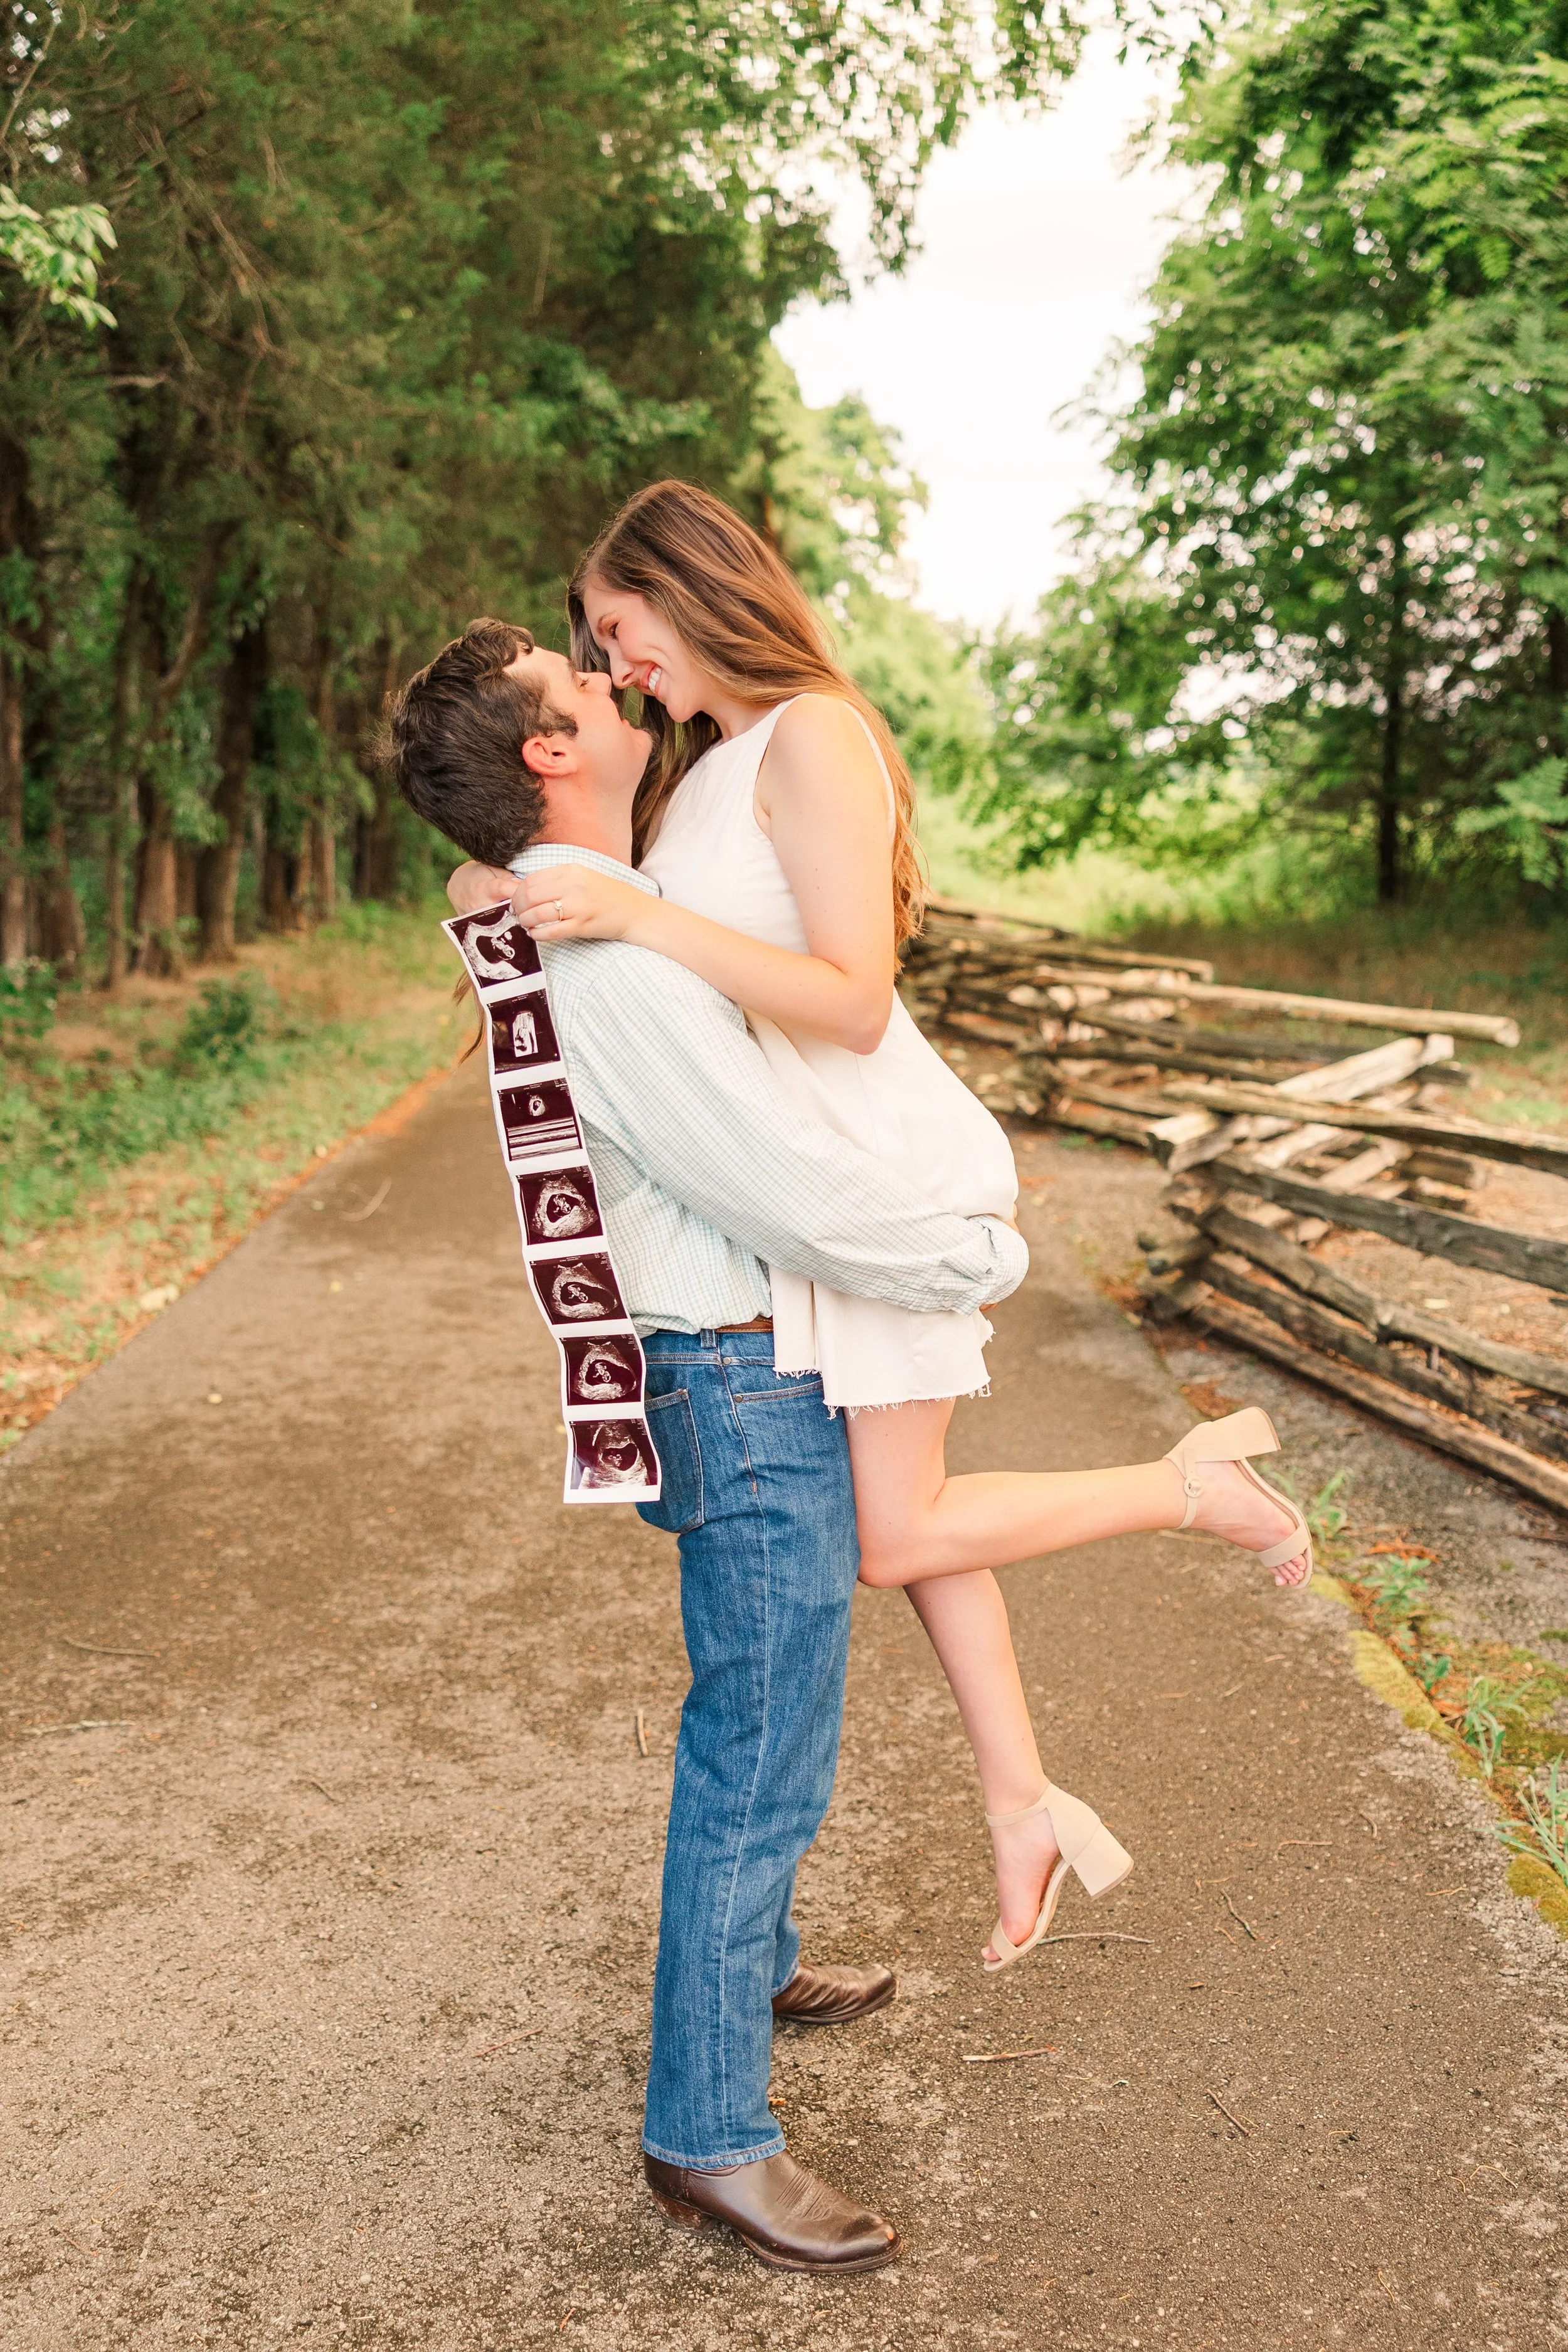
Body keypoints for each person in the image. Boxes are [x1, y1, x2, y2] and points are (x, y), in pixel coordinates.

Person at [448, 483, 1314, 1976]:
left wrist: (639, 919)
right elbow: (610, 917)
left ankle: (1191, 1491)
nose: (612, 660)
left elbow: (848, 1001)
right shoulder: (696, 773)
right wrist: (508, 883)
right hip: (799, 1196)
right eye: (591, 646)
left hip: (873, 1169)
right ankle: (1019, 1802)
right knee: (903, 1524)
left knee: (894, 1531)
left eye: (615, 625)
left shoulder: (813, 733)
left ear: (688, 583)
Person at [386, 617, 1032, 2275]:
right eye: (581, 678)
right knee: (757, 1750)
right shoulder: (602, 955)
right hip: (739, 1380)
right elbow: (782, 1185)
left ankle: (741, 1972)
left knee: (762, 1723)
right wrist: (972, 1250)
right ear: (548, 752)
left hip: (716, 1373)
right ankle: (708, 2131)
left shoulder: (584, 908)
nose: (614, 688)